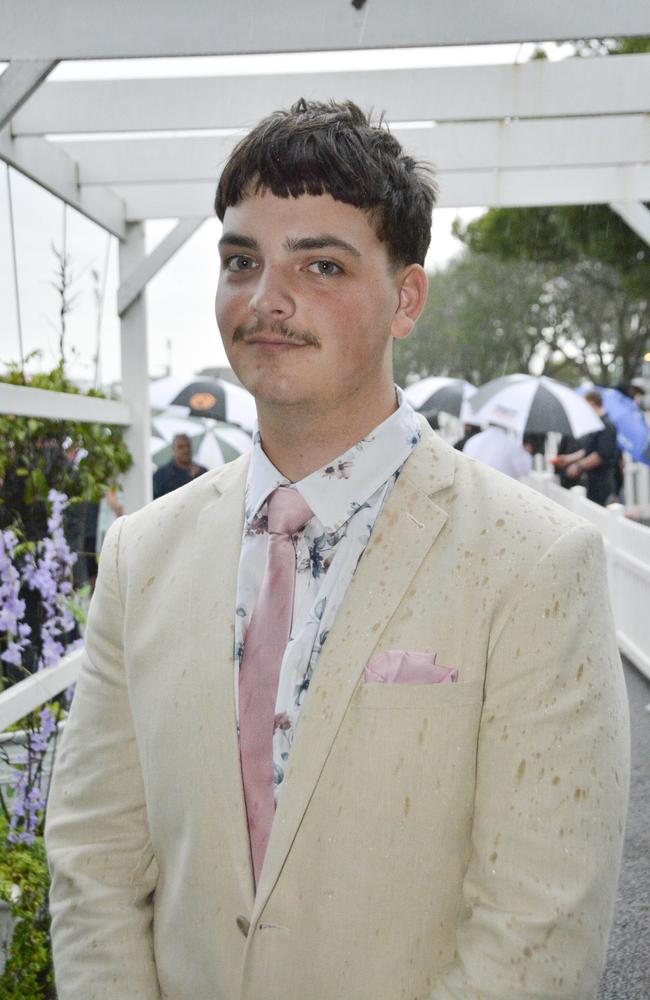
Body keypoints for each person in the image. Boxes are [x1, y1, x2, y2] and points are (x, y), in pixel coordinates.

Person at [46, 100, 629, 1000]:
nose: (267, 299)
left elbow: (537, 932)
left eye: (320, 264)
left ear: (406, 298)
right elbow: (95, 856)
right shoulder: (140, 554)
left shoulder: (535, 562)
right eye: (243, 261)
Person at [553, 390, 619, 506]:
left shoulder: (607, 426)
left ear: (593, 404)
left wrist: (578, 466)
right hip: (593, 481)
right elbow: (587, 451)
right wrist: (567, 459)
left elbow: (600, 455)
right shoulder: (598, 424)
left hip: (602, 482)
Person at [462, 421, 533, 480]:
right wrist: (526, 452)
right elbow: (525, 470)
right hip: (505, 491)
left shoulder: (472, 441)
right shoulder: (511, 444)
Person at [152, 432, 207, 498]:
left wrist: (198, 478)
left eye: (188, 446)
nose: (186, 450)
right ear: (173, 449)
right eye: (180, 447)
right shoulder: (161, 475)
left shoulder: (203, 472)